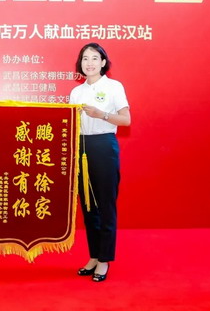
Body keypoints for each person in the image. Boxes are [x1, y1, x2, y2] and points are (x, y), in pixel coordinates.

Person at [70, 42, 131, 283]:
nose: (90, 63)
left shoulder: (114, 87)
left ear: (103, 62)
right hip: (81, 147)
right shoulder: (76, 92)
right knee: (88, 206)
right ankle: (94, 256)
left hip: (104, 146)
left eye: (94, 58)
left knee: (105, 205)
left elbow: (126, 119)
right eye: (85, 58)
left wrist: (101, 114)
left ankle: (105, 260)